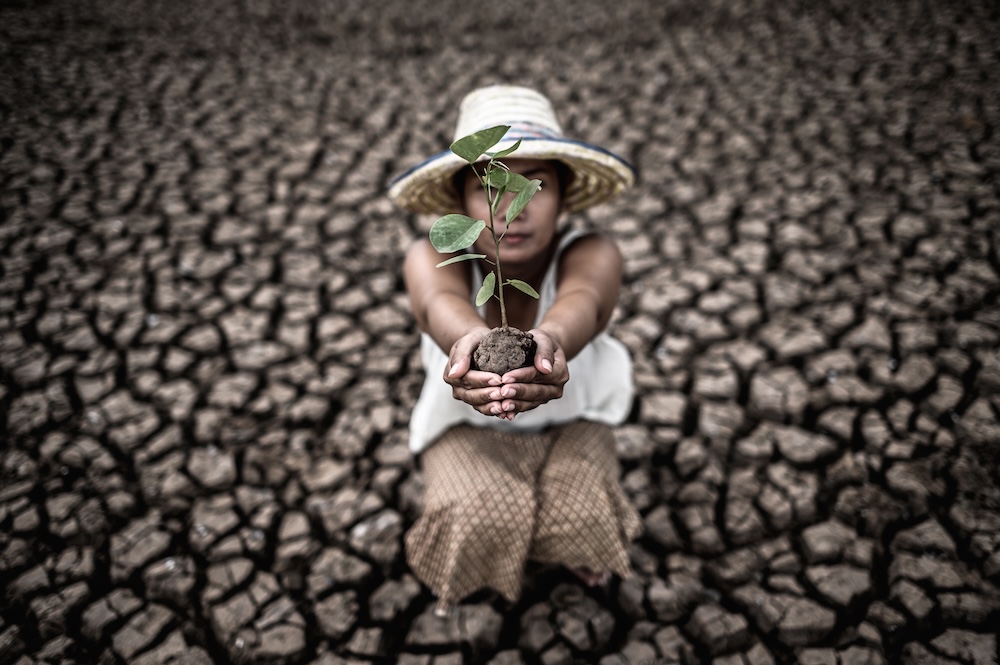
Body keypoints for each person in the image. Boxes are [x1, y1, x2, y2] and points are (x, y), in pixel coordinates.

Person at [387, 84, 642, 612]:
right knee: (479, 517)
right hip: (467, 427)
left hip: (572, 417)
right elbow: (440, 305)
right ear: (461, 200)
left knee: (582, 515)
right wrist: (468, 342)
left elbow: (584, 300)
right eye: (489, 186)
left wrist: (552, 343)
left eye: (534, 185)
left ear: (565, 193)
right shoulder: (435, 256)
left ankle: (565, 545)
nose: (512, 207)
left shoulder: (591, 251)